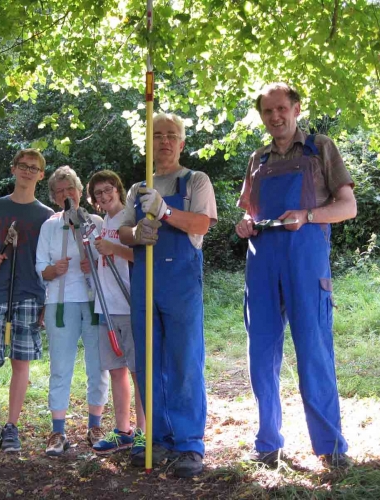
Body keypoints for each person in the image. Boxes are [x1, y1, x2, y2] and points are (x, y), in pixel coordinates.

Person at [234, 83, 357, 468]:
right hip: (262, 262)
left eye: (282, 109)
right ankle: (268, 445)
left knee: (314, 354)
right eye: (268, 112)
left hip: (306, 261)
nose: (276, 117)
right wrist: (245, 224)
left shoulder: (320, 147)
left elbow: (348, 207)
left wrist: (307, 216)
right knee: (261, 356)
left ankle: (331, 448)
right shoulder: (257, 158)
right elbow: (248, 211)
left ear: (296, 109)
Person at [119, 113, 217, 478]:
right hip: (144, 278)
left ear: (181, 142)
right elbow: (124, 232)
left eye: (171, 136)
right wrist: (136, 234)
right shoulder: (137, 189)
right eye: (157, 135)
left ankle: (189, 444)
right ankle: (157, 439)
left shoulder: (196, 181)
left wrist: (165, 210)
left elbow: (201, 224)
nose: (163, 141)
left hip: (181, 280)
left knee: (184, 359)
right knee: (148, 359)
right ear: (148, 142)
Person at [0, 149, 54, 456]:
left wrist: (46, 301)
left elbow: (49, 260)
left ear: (41, 174)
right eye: (23, 166)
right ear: (14, 169)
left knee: (22, 362)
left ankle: (12, 426)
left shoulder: (47, 215)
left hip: (30, 295)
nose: (27, 171)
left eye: (34, 168)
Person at [36, 166, 109, 456]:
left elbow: (111, 260)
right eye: (61, 191)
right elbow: (39, 266)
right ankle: (58, 431)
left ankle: (95, 426)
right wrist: (52, 270)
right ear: (55, 197)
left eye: (71, 189)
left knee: (98, 365)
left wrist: (94, 265)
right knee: (60, 367)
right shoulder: (49, 226)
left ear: (80, 192)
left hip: (95, 303)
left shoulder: (97, 222)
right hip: (60, 303)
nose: (67, 195)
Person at [86, 170, 146, 455]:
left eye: (108, 189)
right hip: (105, 307)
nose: (104, 196)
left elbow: (142, 257)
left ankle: (146, 433)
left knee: (137, 371)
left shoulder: (129, 218)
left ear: (118, 190)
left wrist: (113, 248)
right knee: (116, 370)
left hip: (128, 305)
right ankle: (123, 430)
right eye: (98, 193)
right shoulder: (103, 223)